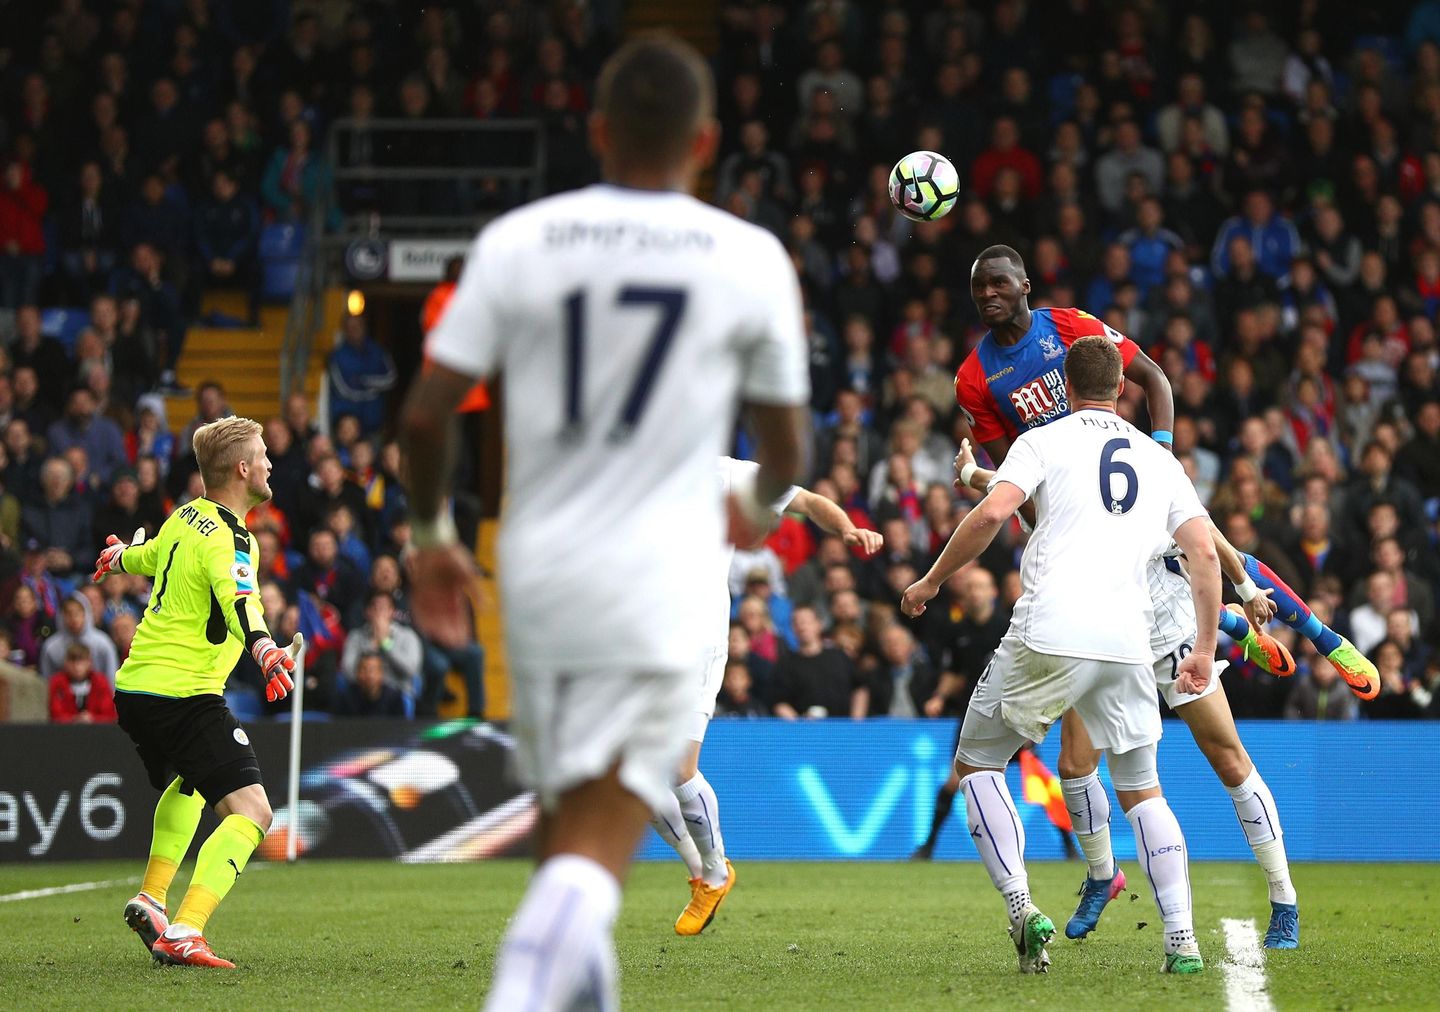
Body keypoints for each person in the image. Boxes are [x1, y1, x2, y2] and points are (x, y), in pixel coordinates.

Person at [399, 35, 808, 1012]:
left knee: (568, 836)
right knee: (592, 849)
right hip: (662, 576)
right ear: (705, 142)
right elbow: (788, 455)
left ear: (596, 131)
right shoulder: (750, 259)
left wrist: (429, 540)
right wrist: (750, 514)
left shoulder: (518, 242)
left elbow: (423, 416)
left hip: (537, 570)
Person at [903, 335, 1219, 975]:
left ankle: (1023, 910)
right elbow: (1205, 553)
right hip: (1131, 643)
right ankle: (1182, 942)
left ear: (1063, 387)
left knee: (979, 763)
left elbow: (996, 512)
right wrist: (1205, 649)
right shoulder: (1160, 462)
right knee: (1143, 790)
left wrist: (933, 580)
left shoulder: (1043, 439)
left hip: (1049, 631)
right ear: (1122, 388)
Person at [953, 244, 1377, 700]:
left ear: (1024, 286)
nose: (988, 294)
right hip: (1063, 502)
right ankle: (1235, 624)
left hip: (1120, 469)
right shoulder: (973, 378)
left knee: (1210, 545)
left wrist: (1162, 454)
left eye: (998, 282)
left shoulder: (1069, 324)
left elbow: (1154, 377)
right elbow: (1013, 468)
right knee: (1150, 587)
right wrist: (1051, 524)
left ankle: (1326, 640)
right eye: (979, 287)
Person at [952, 439, 1301, 950]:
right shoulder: (1071, 468)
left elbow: (1205, 536)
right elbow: (1018, 493)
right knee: (1074, 764)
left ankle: (1283, 897)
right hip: (1112, 634)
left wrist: (1245, 590)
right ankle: (1103, 874)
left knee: (1227, 758)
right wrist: (972, 475)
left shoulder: (1146, 466)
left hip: (1171, 630)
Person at [92, 416, 302, 969]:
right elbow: (240, 601)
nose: (269, 464)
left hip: (136, 690)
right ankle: (186, 930)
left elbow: (151, 555)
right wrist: (263, 649)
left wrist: (119, 558)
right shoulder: (234, 538)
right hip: (184, 694)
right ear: (242, 468)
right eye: (262, 455)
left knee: (190, 783)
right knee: (254, 812)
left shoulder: (184, 517)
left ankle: (153, 896)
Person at [649, 458, 882, 935]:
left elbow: (808, 502)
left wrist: (848, 528)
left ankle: (715, 873)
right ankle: (700, 869)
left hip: (698, 640)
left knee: (677, 768)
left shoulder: (725, 472)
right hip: (646, 640)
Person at [49, 640, 118, 723]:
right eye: (72, 661)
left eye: (81, 661)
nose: (77, 667)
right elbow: (55, 714)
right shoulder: (57, 682)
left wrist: (92, 718)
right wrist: (74, 719)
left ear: (89, 662)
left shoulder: (100, 682)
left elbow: (109, 715)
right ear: (66, 663)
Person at [334, 650, 408, 717]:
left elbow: (400, 729)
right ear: (357, 673)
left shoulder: (395, 699)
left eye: (373, 670)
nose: (369, 675)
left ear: (381, 674)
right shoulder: (345, 698)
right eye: (364, 669)